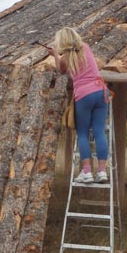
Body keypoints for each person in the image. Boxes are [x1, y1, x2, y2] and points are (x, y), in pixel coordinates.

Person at [47, 27, 110, 183]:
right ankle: (102, 172)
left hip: (84, 95)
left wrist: (55, 54)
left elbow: (61, 70)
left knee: (82, 133)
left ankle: (87, 172)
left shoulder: (65, 59)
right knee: (99, 132)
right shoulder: (86, 48)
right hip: (101, 91)